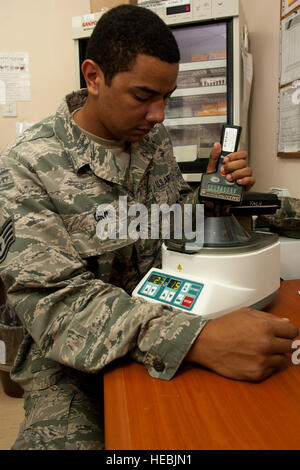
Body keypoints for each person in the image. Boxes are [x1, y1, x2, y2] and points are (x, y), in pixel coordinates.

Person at [0, 4, 297, 451]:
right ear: (94, 76)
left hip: (167, 311)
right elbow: (55, 301)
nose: (159, 115)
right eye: (143, 96)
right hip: (70, 363)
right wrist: (194, 339)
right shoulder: (25, 166)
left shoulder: (150, 140)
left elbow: (171, 220)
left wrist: (213, 201)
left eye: (168, 98)